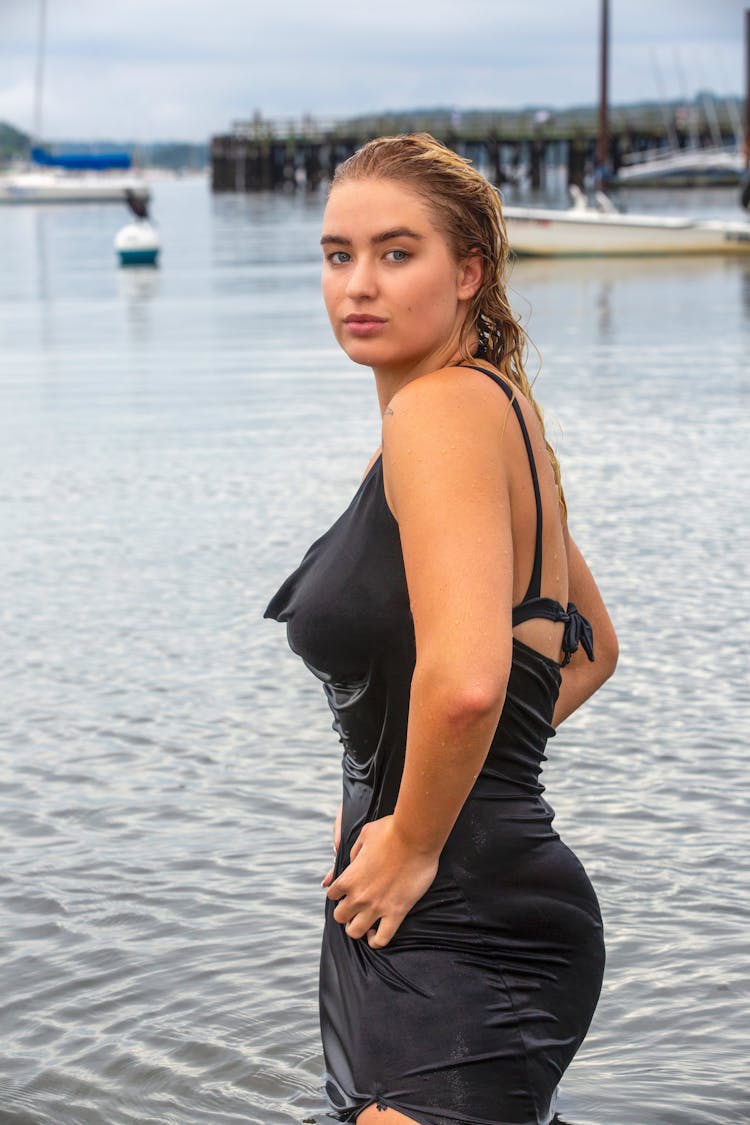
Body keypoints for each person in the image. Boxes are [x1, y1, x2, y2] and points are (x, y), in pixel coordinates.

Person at [265, 133, 618, 1125]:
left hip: (453, 915)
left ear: (470, 272)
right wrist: (411, 791)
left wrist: (417, 832)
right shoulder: (502, 412)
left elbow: (469, 683)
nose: (358, 285)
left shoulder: (438, 414)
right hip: (444, 898)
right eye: (338, 256)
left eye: (396, 252)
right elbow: (588, 642)